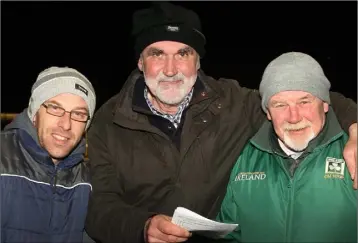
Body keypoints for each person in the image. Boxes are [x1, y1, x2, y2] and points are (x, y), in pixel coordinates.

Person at [85, 2, 357, 243]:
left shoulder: (232, 103)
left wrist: (356, 129)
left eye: (183, 53)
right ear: (141, 62)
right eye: (157, 54)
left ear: (198, 60)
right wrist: (142, 228)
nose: (170, 69)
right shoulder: (108, 123)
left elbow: (305, 98)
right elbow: (99, 208)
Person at [215, 52, 357, 243]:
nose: (294, 116)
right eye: (280, 105)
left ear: (325, 104)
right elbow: (231, 234)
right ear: (268, 113)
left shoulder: (352, 155)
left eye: (304, 102)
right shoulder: (246, 157)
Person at [1, 67, 96, 243]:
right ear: (34, 114)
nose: (66, 124)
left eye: (78, 114)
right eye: (55, 108)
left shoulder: (89, 181)